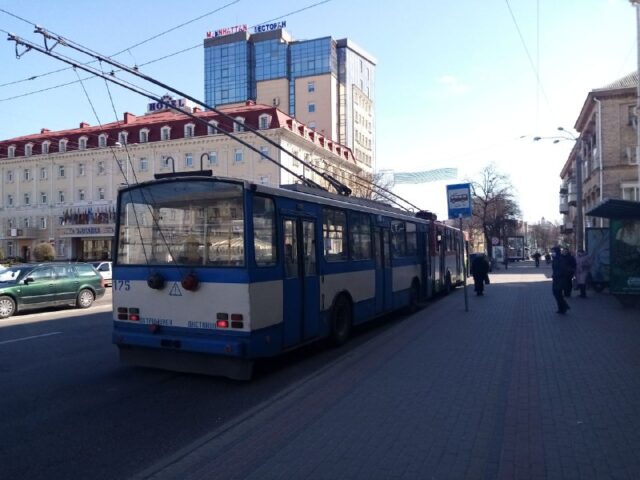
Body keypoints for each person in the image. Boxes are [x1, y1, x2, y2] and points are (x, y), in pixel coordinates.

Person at [551, 246, 570, 314]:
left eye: (553, 252)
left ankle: (563, 307)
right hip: (556, 279)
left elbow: (563, 269)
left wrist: (556, 275)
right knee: (557, 293)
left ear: (557, 252)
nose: (552, 253)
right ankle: (562, 307)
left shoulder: (560, 259)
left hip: (560, 279)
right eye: (552, 252)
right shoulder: (555, 259)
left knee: (557, 293)